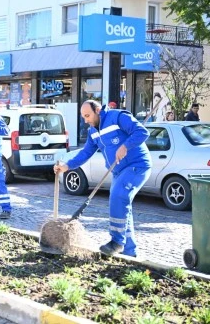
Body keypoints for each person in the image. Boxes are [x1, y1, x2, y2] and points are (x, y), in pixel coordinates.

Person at [54, 100, 151, 257]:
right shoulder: (93, 131)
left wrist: (125, 146)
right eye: (83, 117)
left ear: (98, 110)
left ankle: (116, 242)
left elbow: (142, 132)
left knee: (118, 196)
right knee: (123, 206)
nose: (86, 120)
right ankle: (129, 252)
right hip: (118, 171)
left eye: (87, 116)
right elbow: (86, 152)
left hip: (137, 165)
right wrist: (67, 166)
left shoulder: (118, 117)